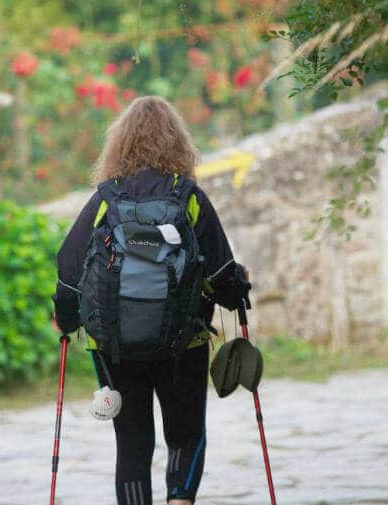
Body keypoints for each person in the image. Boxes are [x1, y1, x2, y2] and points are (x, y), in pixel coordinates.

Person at [53, 96, 250, 505]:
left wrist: (67, 319)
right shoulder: (188, 199)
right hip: (185, 341)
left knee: (132, 442)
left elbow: (69, 268)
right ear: (178, 143)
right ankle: (180, 500)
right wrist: (236, 294)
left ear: (118, 145)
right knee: (186, 433)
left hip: (115, 346)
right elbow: (220, 272)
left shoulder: (106, 200)